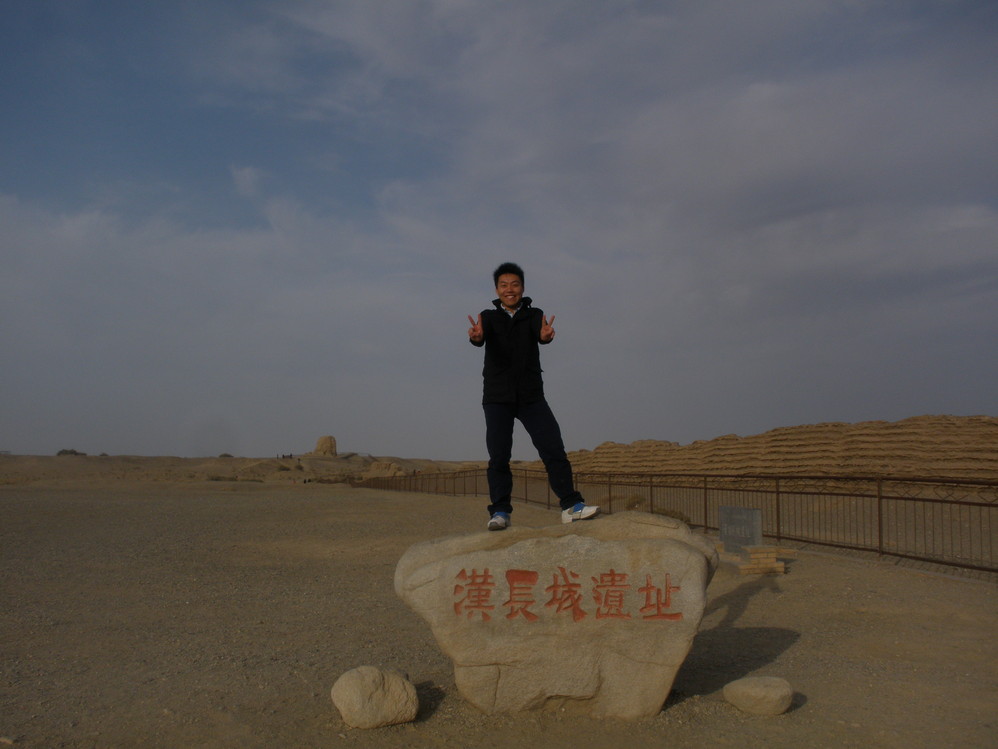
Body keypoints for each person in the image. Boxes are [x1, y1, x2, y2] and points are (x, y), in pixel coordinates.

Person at [467, 262, 600, 531]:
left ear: (523, 287)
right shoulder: (488, 317)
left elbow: (542, 337)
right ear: (497, 289)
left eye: (515, 284)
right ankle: (500, 512)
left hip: (531, 395)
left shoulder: (534, 315)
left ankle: (571, 506)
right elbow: (479, 339)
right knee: (499, 456)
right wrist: (476, 337)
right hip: (497, 396)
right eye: (504, 285)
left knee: (553, 449)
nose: (510, 289)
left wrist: (546, 336)